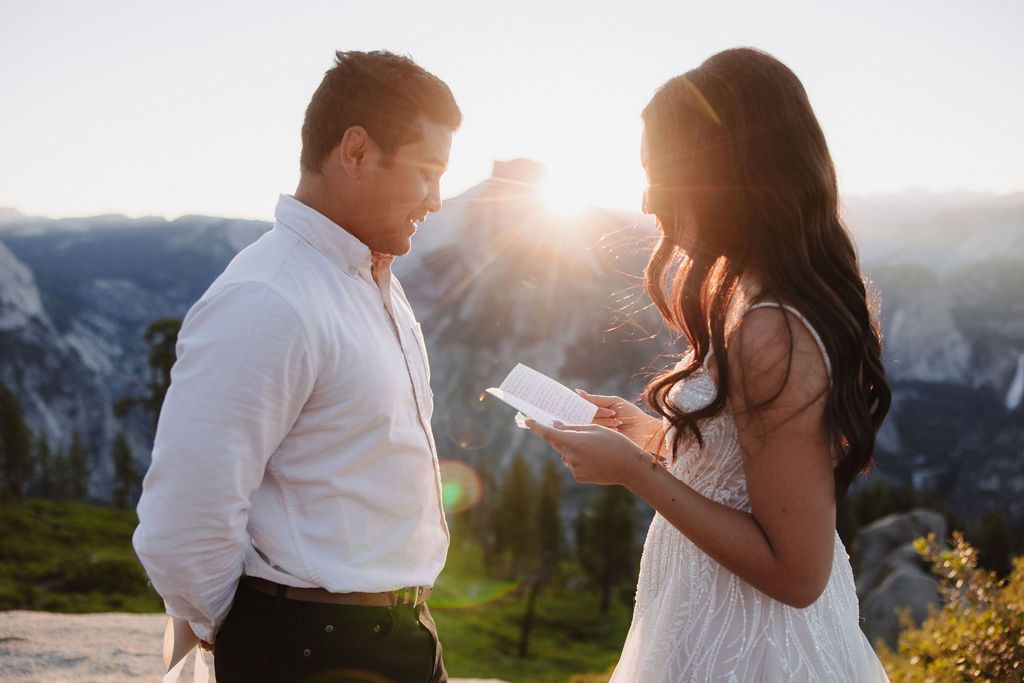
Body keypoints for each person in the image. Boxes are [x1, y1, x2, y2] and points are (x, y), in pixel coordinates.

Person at [527, 47, 892, 681]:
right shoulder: (755, 296)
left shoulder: (772, 329)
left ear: (722, 172)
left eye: (656, 172)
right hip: (712, 626)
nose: (645, 201)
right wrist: (654, 437)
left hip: (748, 650)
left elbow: (798, 573)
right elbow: (743, 472)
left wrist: (639, 474)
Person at [133, 50, 461, 682]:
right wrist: (257, 634)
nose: (438, 200)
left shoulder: (372, 283)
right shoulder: (269, 297)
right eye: (427, 171)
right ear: (356, 152)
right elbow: (184, 520)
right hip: (310, 650)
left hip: (399, 637)